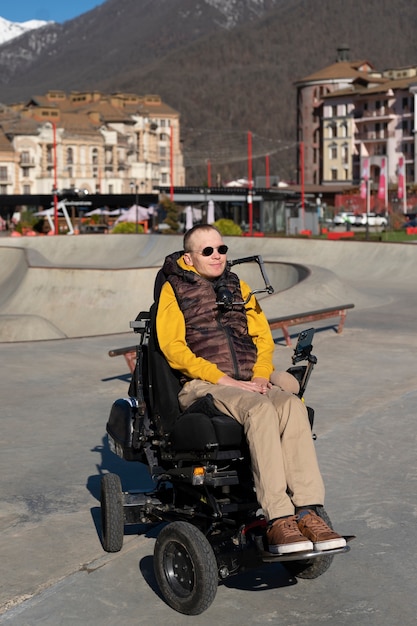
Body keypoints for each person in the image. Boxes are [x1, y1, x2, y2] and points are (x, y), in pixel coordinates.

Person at [156, 224, 346, 555]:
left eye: (222, 249)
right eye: (208, 251)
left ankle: (308, 510)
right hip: (204, 385)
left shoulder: (238, 285)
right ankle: (279, 518)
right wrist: (224, 380)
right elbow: (173, 349)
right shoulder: (174, 290)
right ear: (189, 257)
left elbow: (262, 337)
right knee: (258, 410)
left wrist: (260, 376)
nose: (218, 256)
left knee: (290, 404)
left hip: (247, 379)